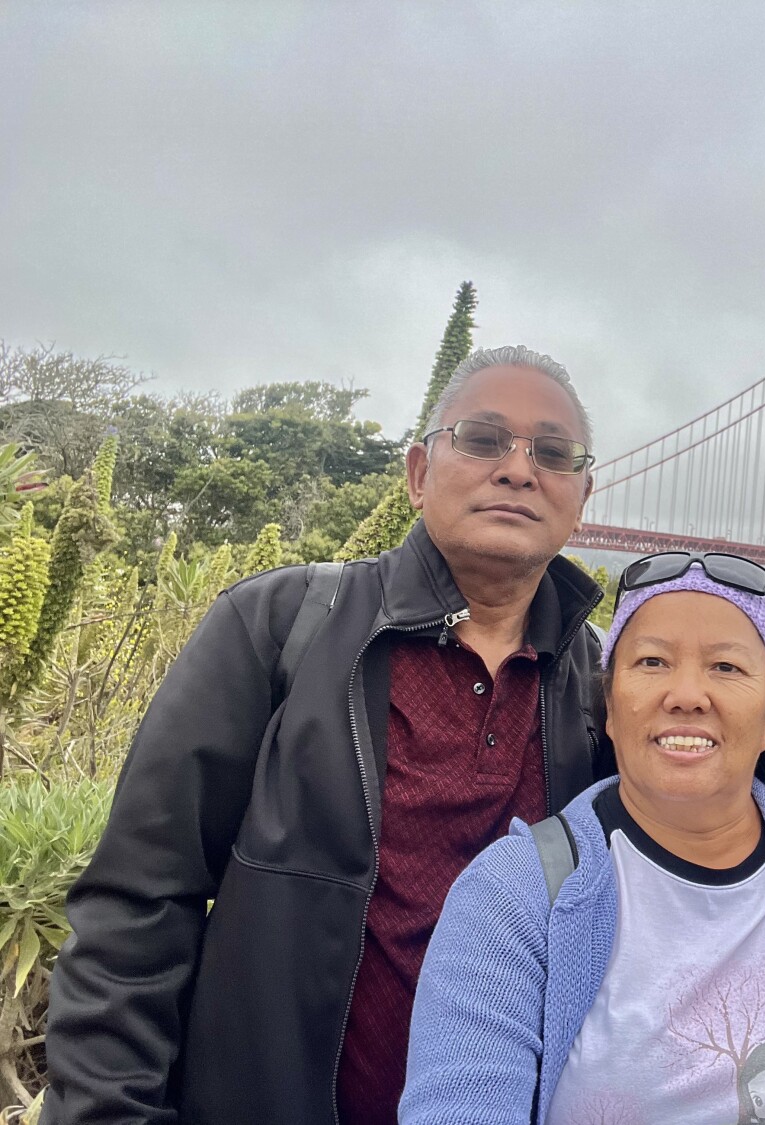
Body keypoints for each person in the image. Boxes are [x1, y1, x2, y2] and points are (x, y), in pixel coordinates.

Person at [43, 346, 605, 1125]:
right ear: (416, 472)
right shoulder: (274, 626)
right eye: (482, 438)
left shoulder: (608, 686)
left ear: (582, 496)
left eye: (553, 452)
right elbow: (139, 903)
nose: (518, 468)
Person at [400, 551, 765, 1124]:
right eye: (651, 662)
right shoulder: (510, 898)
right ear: (611, 707)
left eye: (726, 667)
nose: (688, 694)